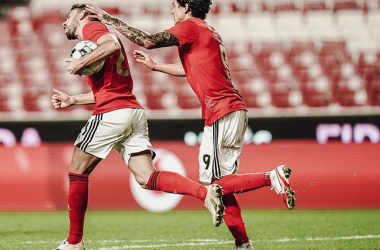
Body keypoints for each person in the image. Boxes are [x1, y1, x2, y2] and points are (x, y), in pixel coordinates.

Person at [86, 1, 297, 250]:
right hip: (230, 110)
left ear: (186, 6)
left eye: (174, 6)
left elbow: (148, 39)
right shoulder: (206, 29)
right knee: (221, 185)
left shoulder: (190, 26)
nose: (171, 11)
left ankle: (272, 177)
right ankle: (243, 244)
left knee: (213, 186)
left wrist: (109, 19)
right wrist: (156, 67)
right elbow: (191, 68)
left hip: (222, 111)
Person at [51, 3, 226, 250]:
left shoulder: (92, 26)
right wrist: (74, 100)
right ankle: (205, 193)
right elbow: (109, 88)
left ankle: (73, 243)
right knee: (147, 177)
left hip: (112, 113)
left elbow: (110, 43)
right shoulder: (95, 38)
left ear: (80, 15)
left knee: (77, 171)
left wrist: (80, 63)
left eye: (68, 17)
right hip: (132, 111)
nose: (63, 22)